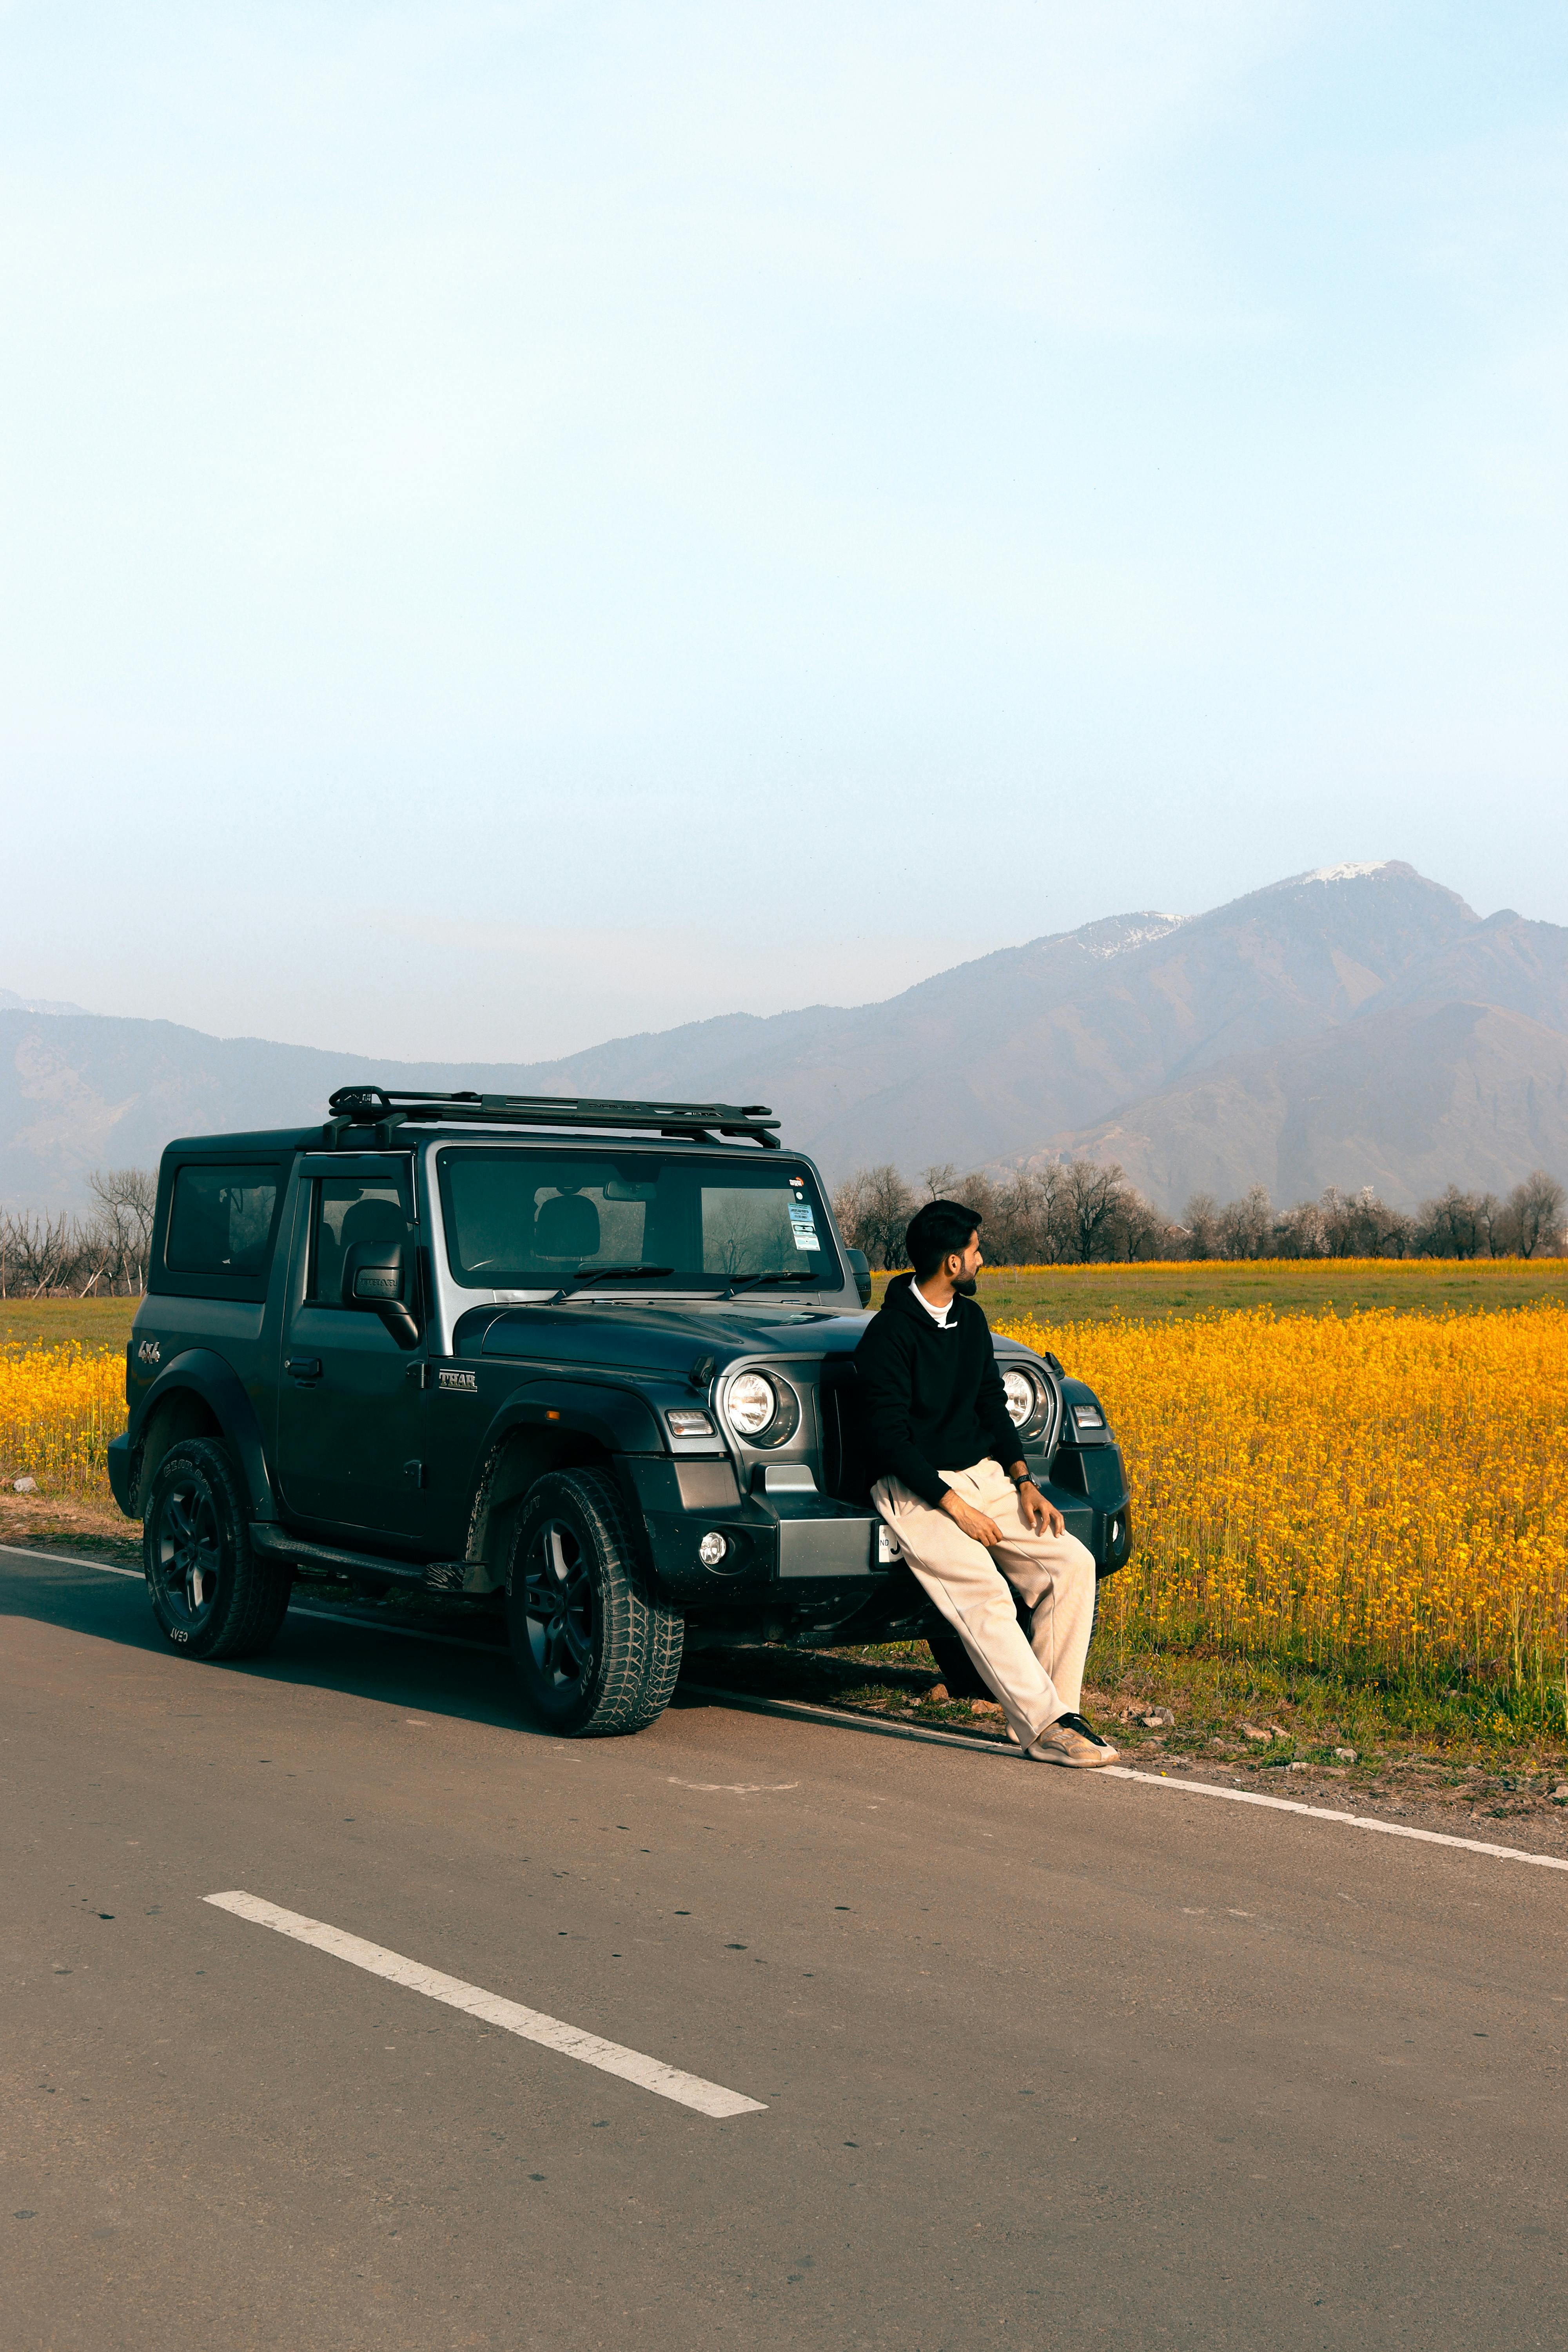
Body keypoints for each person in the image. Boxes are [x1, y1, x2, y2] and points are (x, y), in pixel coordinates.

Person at [854, 1198, 1117, 1767]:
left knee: (1071, 1564)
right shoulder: (888, 1335)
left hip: (985, 1478)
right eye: (976, 1251)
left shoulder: (970, 1321)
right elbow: (888, 1441)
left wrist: (1024, 1481)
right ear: (952, 1263)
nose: (982, 1259)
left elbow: (991, 1407)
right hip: (914, 1489)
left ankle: (1053, 1717)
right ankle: (1047, 1725)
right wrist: (956, 1508)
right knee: (988, 1595)